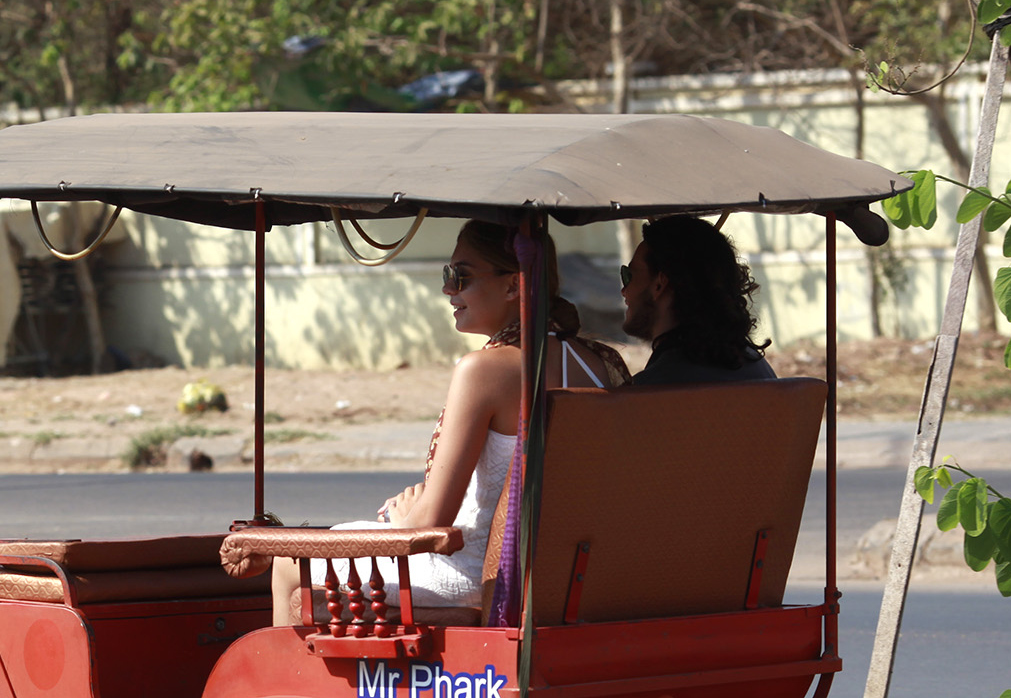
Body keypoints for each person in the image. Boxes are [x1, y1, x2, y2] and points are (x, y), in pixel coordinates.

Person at [271, 221, 629, 623]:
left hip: (474, 578)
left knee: (286, 562)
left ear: (513, 286)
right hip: (562, 579)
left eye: (460, 276)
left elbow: (428, 524)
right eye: (448, 276)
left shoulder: (485, 370)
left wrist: (404, 515)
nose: (448, 289)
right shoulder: (601, 364)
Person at [623, 215, 777, 384]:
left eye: (629, 275)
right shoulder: (761, 370)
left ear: (659, 284)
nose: (624, 290)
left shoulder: (647, 389)